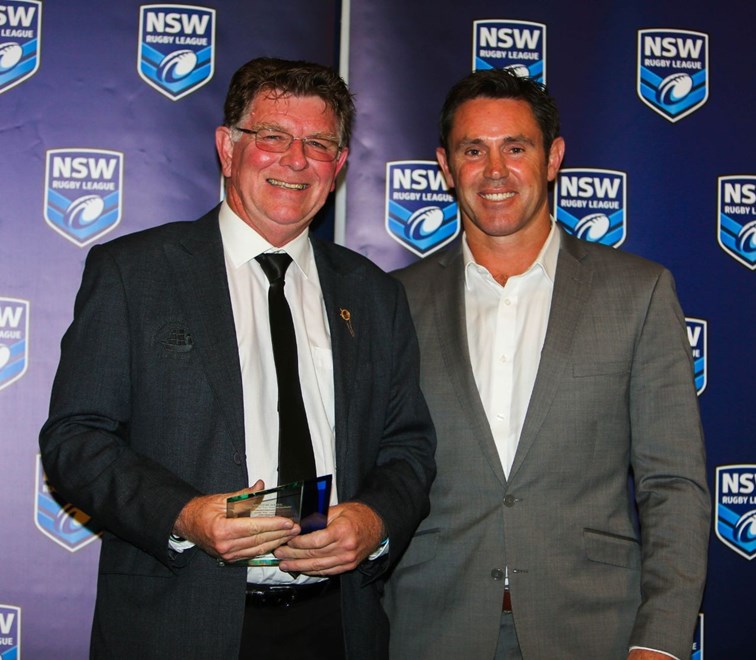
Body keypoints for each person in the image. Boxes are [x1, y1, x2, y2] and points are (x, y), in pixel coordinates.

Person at [39, 57, 435, 660]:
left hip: (337, 626)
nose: (296, 160)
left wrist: (374, 522)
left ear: (339, 166)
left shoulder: (375, 295)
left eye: (319, 144)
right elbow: (76, 438)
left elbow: (407, 450)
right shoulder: (134, 273)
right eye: (273, 137)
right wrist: (184, 515)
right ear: (228, 149)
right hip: (178, 624)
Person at [383, 68, 709, 660]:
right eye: (473, 150)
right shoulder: (393, 301)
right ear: (445, 167)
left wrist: (661, 641)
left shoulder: (638, 293)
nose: (495, 170)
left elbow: (673, 485)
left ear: (553, 157)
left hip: (596, 629)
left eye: (516, 148)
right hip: (431, 627)